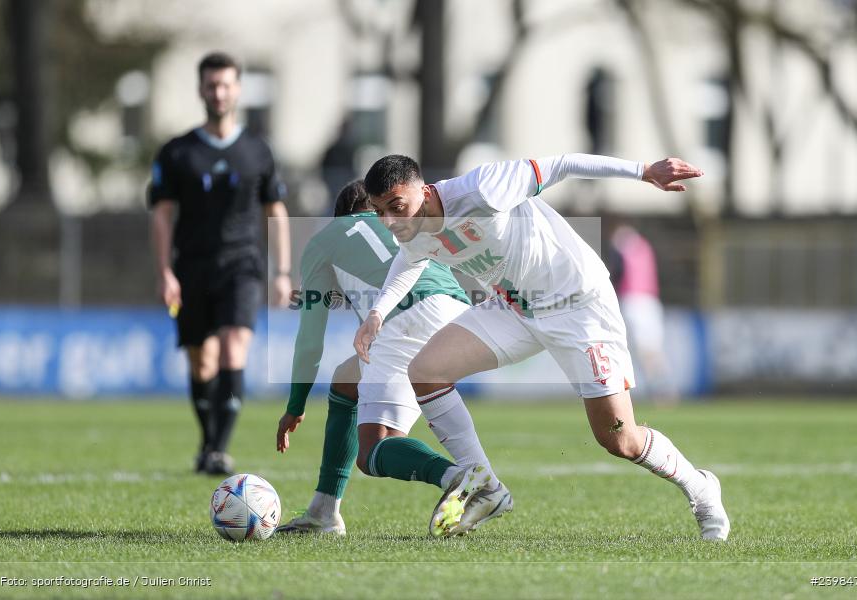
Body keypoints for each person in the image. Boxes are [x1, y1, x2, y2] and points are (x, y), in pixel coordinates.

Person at [354, 153, 730, 541]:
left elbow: (562, 164)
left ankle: (702, 489)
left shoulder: (482, 188)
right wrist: (377, 314)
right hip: (516, 309)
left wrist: (643, 171)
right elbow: (408, 262)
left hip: (579, 307)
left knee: (620, 439)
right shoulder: (413, 230)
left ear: (424, 189)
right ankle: (487, 489)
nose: (389, 222)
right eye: (379, 211)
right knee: (426, 372)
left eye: (396, 207)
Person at [275, 181, 511, 537]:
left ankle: (463, 478)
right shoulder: (401, 224)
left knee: (373, 451)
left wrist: (295, 405)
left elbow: (310, 339)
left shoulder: (325, 240)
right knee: (346, 380)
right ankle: (323, 511)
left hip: (404, 321)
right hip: (457, 312)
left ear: (339, 216)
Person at [149, 52, 292, 475]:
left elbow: (276, 210)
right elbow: (160, 213)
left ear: (238, 89)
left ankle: (218, 449)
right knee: (202, 362)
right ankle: (208, 442)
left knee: (234, 346)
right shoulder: (178, 152)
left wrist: (282, 272)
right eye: (211, 85)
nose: (219, 92)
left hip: (242, 265)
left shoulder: (257, 150)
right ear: (201, 90)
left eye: (226, 84)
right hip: (192, 266)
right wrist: (164, 271)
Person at [607, 220, 678, 402]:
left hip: (632, 300)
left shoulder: (621, 243)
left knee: (636, 349)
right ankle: (664, 388)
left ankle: (658, 390)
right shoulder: (644, 246)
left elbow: (617, 272)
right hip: (650, 300)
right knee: (652, 348)